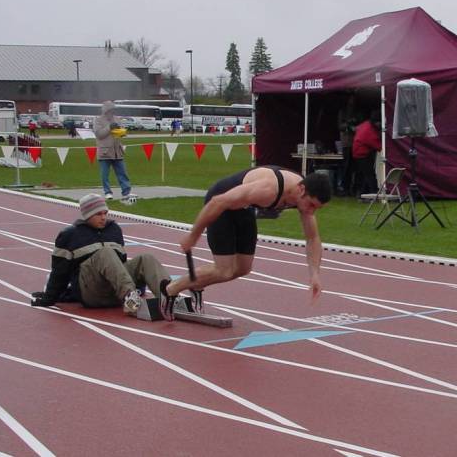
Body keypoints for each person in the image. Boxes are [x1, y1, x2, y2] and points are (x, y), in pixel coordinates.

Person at [160, 167, 332, 318]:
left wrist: (315, 274)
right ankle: (170, 289)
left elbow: (313, 238)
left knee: (243, 268)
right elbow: (218, 202)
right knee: (224, 270)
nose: (311, 211)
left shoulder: (303, 196)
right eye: (311, 205)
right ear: (301, 189)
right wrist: (193, 236)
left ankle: (197, 284)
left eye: (316, 208)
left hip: (244, 209)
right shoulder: (269, 189)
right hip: (221, 204)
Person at [30, 194, 171, 315]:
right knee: (105, 253)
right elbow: (59, 271)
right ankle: (130, 297)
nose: (103, 217)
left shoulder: (114, 230)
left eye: (105, 213)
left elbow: (120, 265)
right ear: (87, 215)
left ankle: (170, 297)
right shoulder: (70, 235)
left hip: (115, 291)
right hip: (91, 292)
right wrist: (49, 298)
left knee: (146, 258)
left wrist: (139, 286)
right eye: (98, 214)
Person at [93, 101, 135, 203]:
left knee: (122, 172)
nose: (111, 113)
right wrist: (109, 127)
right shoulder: (98, 120)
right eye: (109, 111)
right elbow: (99, 134)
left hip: (117, 150)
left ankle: (126, 191)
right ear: (105, 111)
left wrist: (122, 132)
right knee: (105, 174)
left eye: (113, 110)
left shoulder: (117, 119)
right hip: (105, 151)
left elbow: (120, 133)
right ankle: (107, 192)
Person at [352, 110, 382, 196]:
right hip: (362, 154)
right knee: (370, 174)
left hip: (358, 153)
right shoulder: (369, 131)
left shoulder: (365, 125)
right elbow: (379, 146)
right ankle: (373, 192)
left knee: (364, 174)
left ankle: (362, 193)